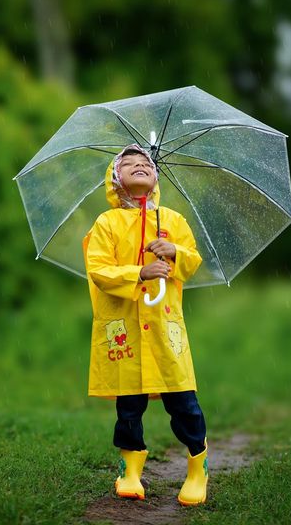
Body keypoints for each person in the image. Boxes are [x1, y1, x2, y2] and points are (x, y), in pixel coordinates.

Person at [82, 143, 208, 506]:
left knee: (183, 401)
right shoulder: (107, 223)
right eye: (130, 164)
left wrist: (175, 254)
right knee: (129, 405)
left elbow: (192, 259)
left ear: (155, 179)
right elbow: (100, 269)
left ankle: (197, 467)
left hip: (165, 325)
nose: (140, 166)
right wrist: (140, 271)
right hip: (125, 327)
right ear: (115, 180)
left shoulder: (172, 221)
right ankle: (131, 469)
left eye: (146, 164)